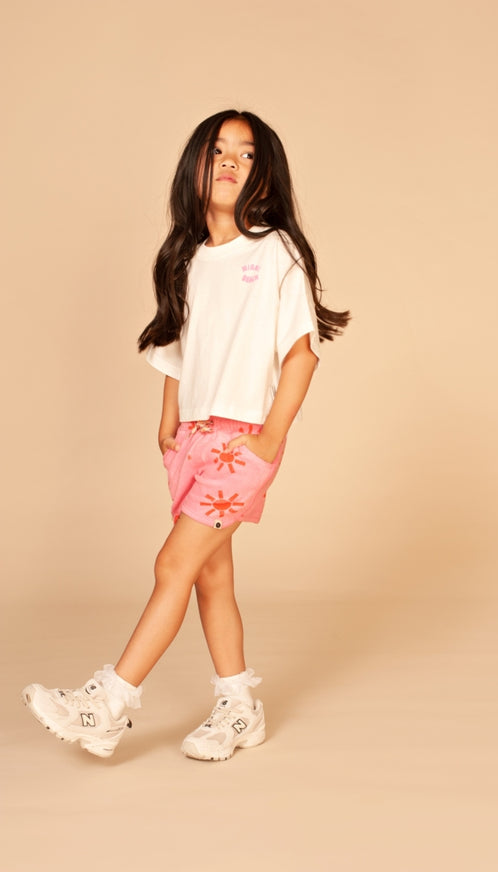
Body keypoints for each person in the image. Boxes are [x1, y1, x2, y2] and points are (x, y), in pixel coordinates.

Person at [22, 109, 349, 761]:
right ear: (195, 165)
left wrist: (269, 438)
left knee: (172, 563)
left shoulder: (276, 252)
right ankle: (240, 708)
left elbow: (301, 354)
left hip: (242, 442)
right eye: (218, 149)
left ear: (264, 176)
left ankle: (107, 706)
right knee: (208, 576)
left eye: (247, 154)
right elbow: (178, 348)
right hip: (192, 441)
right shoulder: (187, 259)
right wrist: (168, 423)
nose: (230, 161)